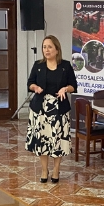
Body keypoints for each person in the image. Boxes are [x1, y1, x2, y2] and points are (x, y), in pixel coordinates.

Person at [26, 35, 78, 184]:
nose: (46, 50)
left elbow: (74, 86)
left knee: (57, 141)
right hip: (40, 109)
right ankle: (44, 170)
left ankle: (56, 170)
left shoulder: (66, 66)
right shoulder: (38, 65)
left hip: (59, 110)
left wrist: (65, 88)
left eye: (49, 47)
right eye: (44, 47)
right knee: (42, 142)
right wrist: (35, 87)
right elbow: (30, 83)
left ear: (56, 49)